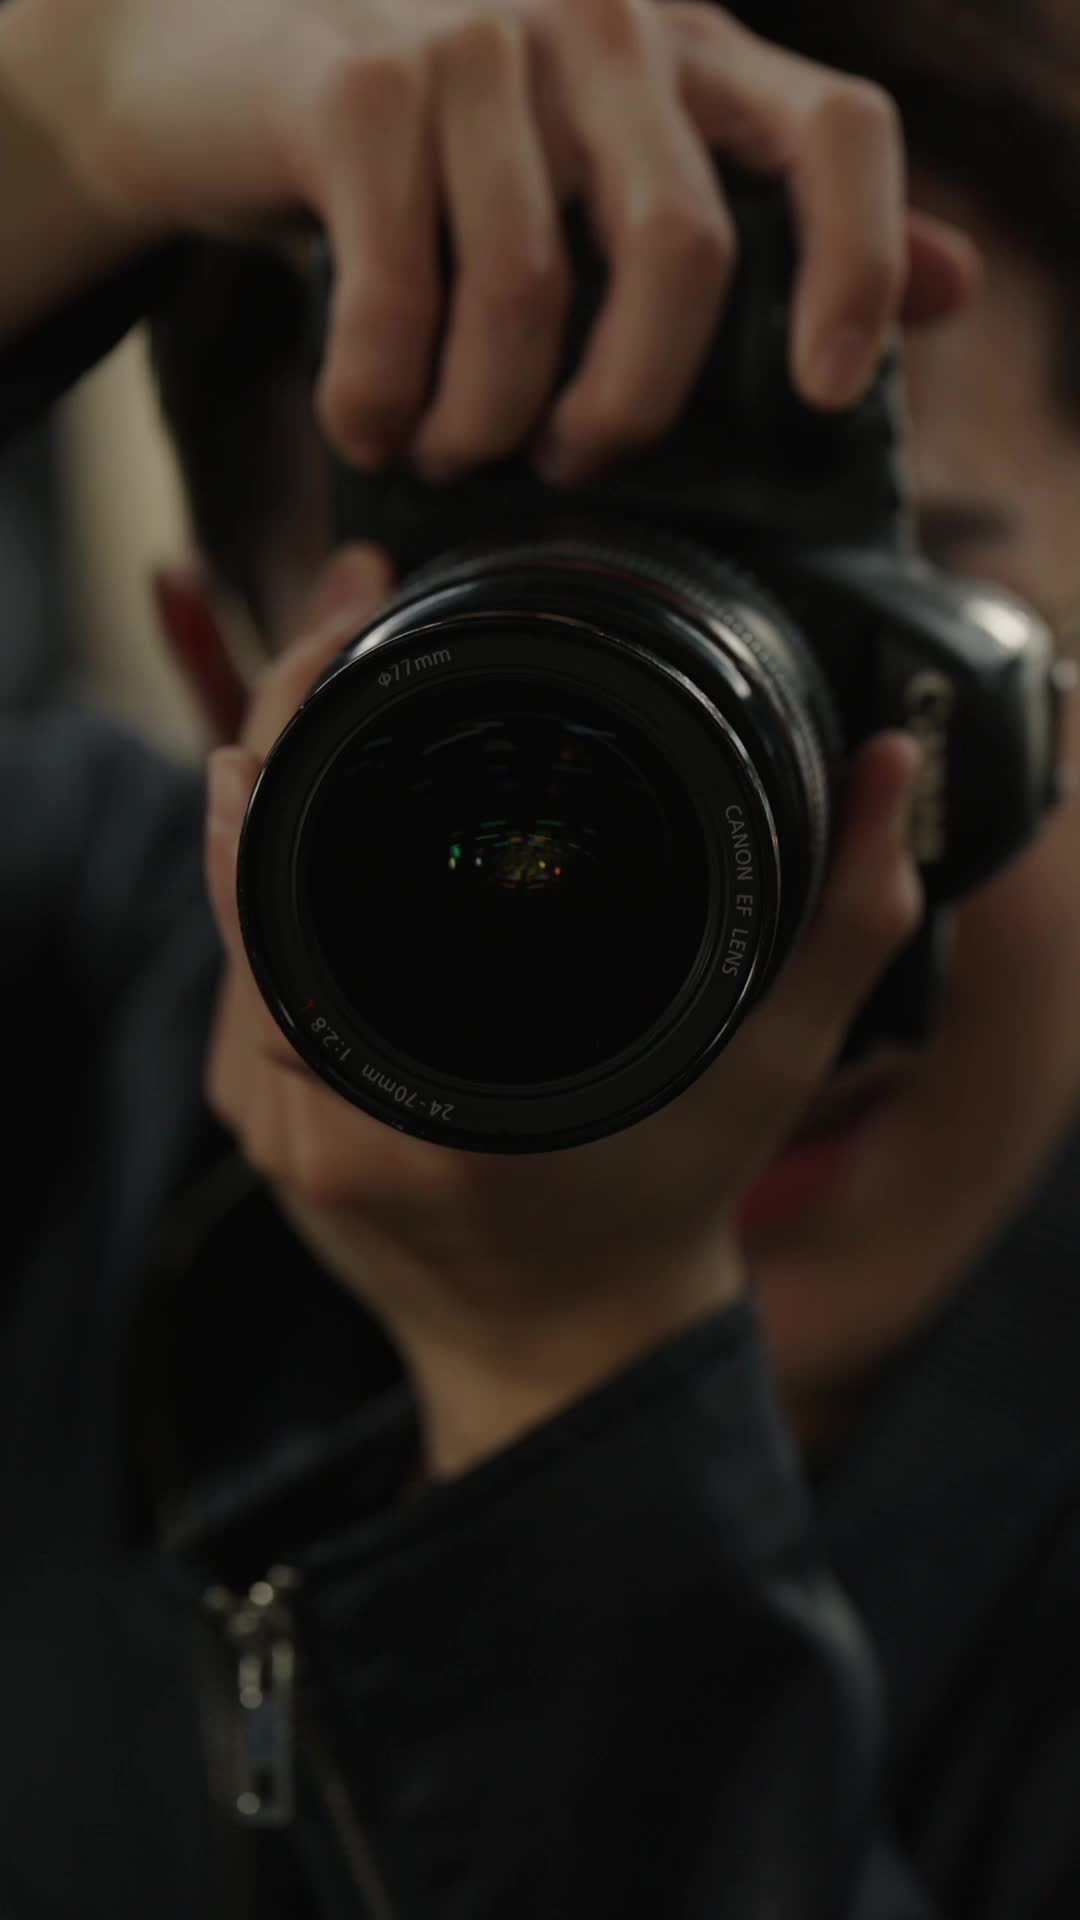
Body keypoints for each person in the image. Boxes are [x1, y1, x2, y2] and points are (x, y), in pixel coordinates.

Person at [1, 1, 1079, 1916]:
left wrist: (569, 1380)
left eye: (869, 666)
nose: (753, 1010)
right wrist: (61, 122)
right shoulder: (72, 1019)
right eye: (493, 711)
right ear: (225, 686)